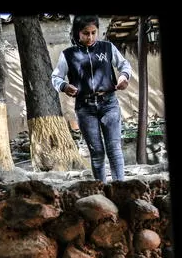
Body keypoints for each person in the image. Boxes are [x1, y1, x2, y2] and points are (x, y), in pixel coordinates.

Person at [51, 15, 132, 183]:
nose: (90, 37)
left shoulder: (107, 48)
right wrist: (64, 86)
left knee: (114, 149)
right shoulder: (68, 54)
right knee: (96, 153)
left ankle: (120, 188)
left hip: (109, 104)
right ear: (77, 33)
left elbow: (124, 65)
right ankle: (101, 190)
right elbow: (55, 77)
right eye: (85, 33)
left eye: (94, 32)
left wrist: (124, 77)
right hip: (84, 108)